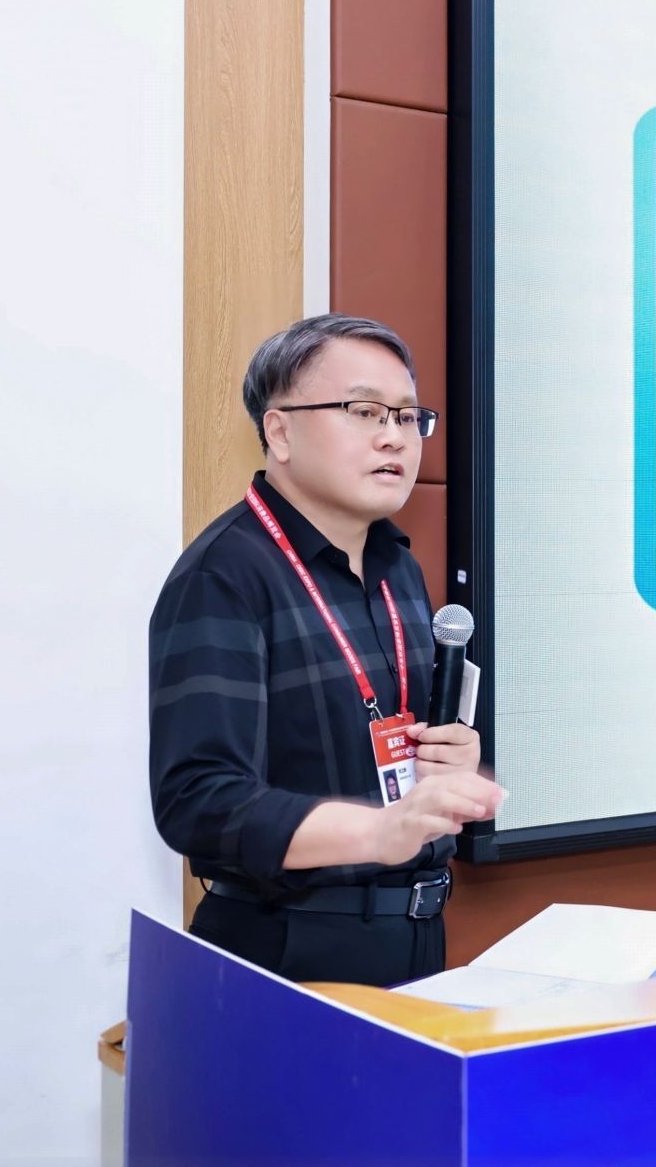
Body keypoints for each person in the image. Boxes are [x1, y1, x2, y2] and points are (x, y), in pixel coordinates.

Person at [148, 314, 504, 986]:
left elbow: (374, 741)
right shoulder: (225, 575)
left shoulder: (397, 567)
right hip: (287, 951)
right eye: (364, 411)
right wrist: (377, 832)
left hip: (415, 937)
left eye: (407, 417)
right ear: (280, 432)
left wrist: (445, 759)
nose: (393, 436)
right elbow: (198, 801)